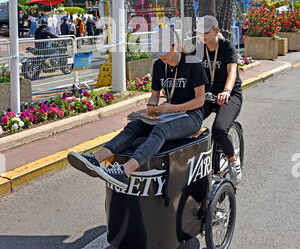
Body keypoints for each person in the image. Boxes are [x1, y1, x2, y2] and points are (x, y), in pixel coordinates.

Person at [67, 28, 209, 190]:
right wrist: (151, 108)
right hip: (167, 113)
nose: (160, 56)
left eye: (163, 51)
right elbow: (154, 96)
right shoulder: (158, 66)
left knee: (161, 131)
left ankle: (125, 172)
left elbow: (200, 100)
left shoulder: (193, 64)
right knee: (134, 126)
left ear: (174, 46)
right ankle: (95, 159)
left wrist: (173, 108)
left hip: (190, 116)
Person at [197, 15, 243, 185]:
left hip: (230, 95)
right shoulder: (199, 49)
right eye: (199, 33)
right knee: (189, 122)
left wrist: (226, 91)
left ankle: (232, 160)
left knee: (219, 129)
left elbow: (232, 72)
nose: (202, 36)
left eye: (206, 33)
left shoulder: (227, 47)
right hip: (207, 96)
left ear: (216, 31)